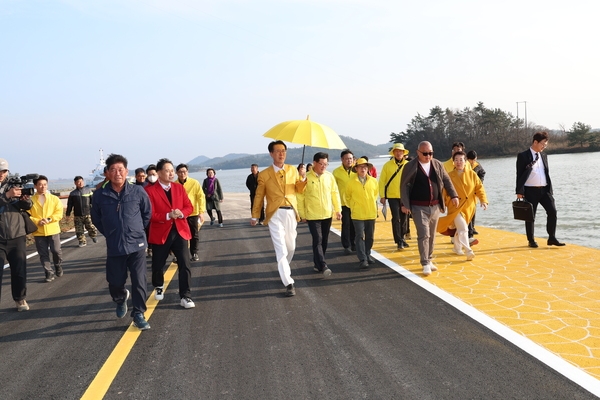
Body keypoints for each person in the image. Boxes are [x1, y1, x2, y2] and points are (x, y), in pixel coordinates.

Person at [91, 153, 152, 331]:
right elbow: (96, 219)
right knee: (115, 282)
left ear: (126, 171)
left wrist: (137, 231)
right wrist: (110, 233)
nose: (117, 173)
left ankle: (139, 313)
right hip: (115, 245)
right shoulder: (100, 195)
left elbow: (146, 214)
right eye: (113, 170)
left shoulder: (138, 191)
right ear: (107, 173)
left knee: (139, 280)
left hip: (137, 245)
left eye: (121, 169)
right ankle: (120, 298)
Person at [250, 140, 307, 297]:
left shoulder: (293, 170)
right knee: (281, 249)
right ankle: (288, 282)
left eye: (283, 150)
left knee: (291, 247)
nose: (281, 153)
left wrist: (302, 178)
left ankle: (284, 268)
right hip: (274, 214)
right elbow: (259, 196)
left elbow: (299, 190)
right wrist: (255, 215)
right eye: (278, 151)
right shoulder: (264, 174)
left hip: (290, 212)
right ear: (271, 153)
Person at [400, 141, 459, 276]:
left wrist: (454, 195)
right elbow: (404, 186)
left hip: (435, 206)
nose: (428, 156)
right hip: (418, 206)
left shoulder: (437, 164)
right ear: (418, 152)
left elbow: (446, 180)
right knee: (424, 234)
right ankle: (425, 262)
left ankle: (430, 258)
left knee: (432, 235)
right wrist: (404, 204)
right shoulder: (410, 166)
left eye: (431, 153)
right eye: (425, 153)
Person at [146, 159, 196, 309]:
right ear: (159, 173)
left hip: (179, 230)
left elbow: (189, 206)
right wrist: (168, 215)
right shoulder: (149, 191)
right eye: (167, 170)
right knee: (158, 264)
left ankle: (185, 296)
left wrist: (181, 213)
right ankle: (158, 285)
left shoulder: (179, 188)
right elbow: (149, 214)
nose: (171, 173)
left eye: (172, 170)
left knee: (185, 263)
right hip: (161, 231)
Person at [516, 131, 565, 248]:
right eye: (543, 143)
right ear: (535, 142)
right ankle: (531, 240)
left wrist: (549, 189)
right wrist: (519, 191)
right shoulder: (523, 156)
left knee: (552, 211)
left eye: (546, 144)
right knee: (530, 216)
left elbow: (545, 172)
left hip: (544, 190)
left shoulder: (544, 156)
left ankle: (552, 238)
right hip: (530, 191)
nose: (544, 146)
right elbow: (519, 175)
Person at [437, 151, 488, 261]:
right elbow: (444, 192)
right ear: (453, 162)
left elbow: (479, 188)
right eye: (456, 160)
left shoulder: (472, 174)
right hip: (455, 206)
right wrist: (442, 205)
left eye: (461, 160)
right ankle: (468, 250)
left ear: (465, 162)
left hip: (468, 207)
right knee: (463, 228)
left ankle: (457, 248)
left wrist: (483, 200)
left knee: (459, 229)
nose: (459, 162)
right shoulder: (449, 176)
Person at [297, 152, 341, 277]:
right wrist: (302, 214)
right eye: (321, 164)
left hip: (327, 213)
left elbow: (334, 193)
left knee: (325, 241)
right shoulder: (306, 178)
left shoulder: (329, 176)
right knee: (318, 239)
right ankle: (323, 265)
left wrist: (338, 209)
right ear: (314, 163)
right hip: (312, 215)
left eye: (326, 164)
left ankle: (317, 263)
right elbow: (300, 197)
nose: (323, 166)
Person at [0, 158, 33, 311]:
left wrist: (25, 199)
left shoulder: (14, 184)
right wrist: (7, 195)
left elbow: (27, 206)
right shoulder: (9, 190)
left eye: (4, 171)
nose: (1, 174)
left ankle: (20, 299)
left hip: (17, 234)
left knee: (19, 270)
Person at [346, 158, 379, 269]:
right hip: (357, 214)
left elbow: (375, 195)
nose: (363, 169)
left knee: (370, 236)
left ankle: (368, 254)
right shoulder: (351, 182)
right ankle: (362, 258)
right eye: (361, 167)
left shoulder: (373, 181)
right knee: (359, 236)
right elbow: (346, 197)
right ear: (356, 168)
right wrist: (354, 206)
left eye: (365, 167)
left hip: (371, 213)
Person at [29, 175, 64, 282]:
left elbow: (59, 213)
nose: (43, 186)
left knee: (56, 250)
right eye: (40, 184)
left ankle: (58, 265)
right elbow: (27, 214)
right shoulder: (30, 200)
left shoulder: (54, 199)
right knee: (43, 253)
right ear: (35, 186)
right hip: (39, 231)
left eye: (44, 184)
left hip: (53, 229)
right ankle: (48, 272)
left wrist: (49, 219)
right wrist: (37, 221)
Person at [379, 143, 410, 250]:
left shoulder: (408, 164)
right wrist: (382, 195)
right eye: (396, 151)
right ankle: (399, 240)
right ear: (393, 153)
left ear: (403, 153)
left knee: (404, 218)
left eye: (400, 151)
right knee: (396, 218)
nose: (398, 153)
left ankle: (402, 238)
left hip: (404, 196)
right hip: (392, 196)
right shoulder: (387, 166)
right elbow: (382, 181)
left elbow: (412, 181)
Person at [176, 163, 206, 262]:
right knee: (180, 236)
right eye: (180, 172)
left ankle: (194, 253)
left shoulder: (194, 183)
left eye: (184, 172)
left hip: (193, 213)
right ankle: (180, 255)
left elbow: (201, 197)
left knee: (194, 234)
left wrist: (201, 212)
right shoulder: (174, 185)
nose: (182, 174)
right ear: (176, 173)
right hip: (180, 214)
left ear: (187, 172)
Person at [332, 149, 356, 253]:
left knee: (355, 224)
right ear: (342, 159)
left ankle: (354, 243)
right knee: (346, 224)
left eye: (350, 158)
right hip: (343, 203)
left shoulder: (357, 170)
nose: (349, 160)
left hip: (356, 202)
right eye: (346, 159)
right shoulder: (336, 172)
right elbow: (333, 189)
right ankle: (347, 245)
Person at [66, 175, 98, 247]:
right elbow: (70, 205)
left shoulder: (88, 190)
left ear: (83, 182)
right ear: (75, 183)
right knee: (79, 230)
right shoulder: (73, 193)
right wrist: (68, 214)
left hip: (88, 213)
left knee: (90, 226)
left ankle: (93, 236)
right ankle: (82, 241)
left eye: (81, 182)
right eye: (78, 182)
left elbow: (93, 202)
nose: (80, 183)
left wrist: (96, 211)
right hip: (77, 215)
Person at [466, 150, 486, 236]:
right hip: (466, 190)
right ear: (467, 159)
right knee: (467, 211)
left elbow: (483, 173)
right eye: (471, 160)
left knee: (473, 209)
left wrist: (480, 182)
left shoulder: (477, 165)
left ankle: (472, 227)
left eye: (474, 160)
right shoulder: (464, 165)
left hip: (475, 190)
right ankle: (468, 229)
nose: (473, 162)